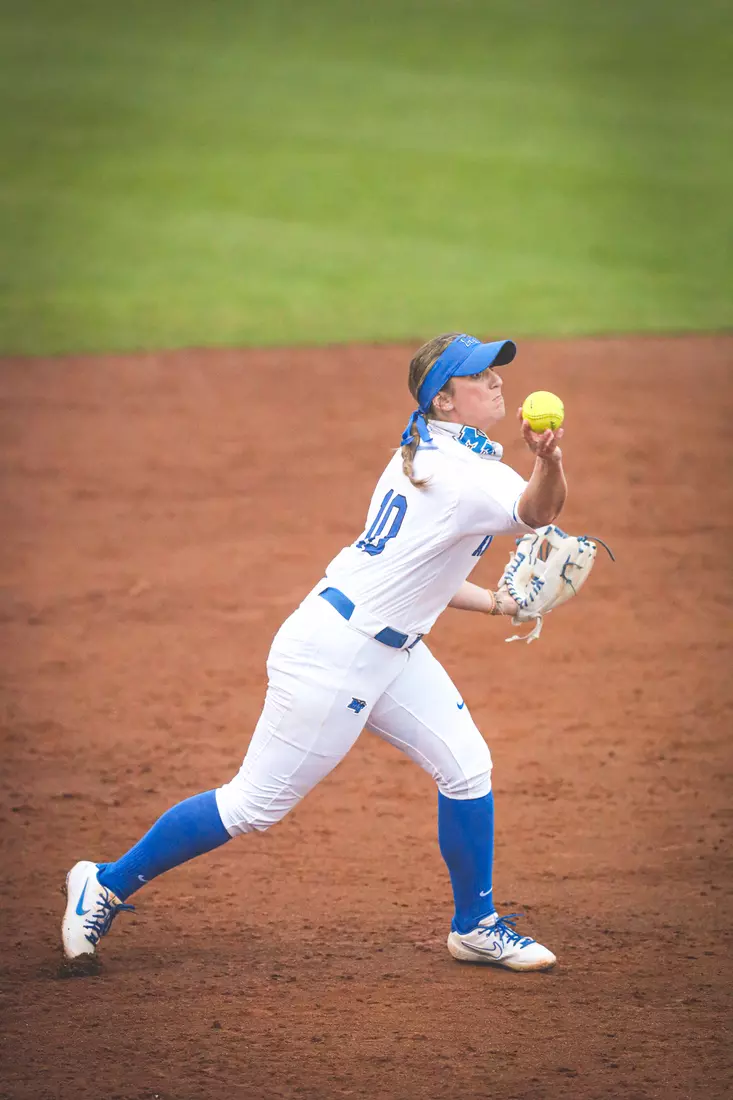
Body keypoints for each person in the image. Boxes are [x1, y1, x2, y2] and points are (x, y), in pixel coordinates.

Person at [62, 332, 567, 972]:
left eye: (496, 370)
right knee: (252, 805)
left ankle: (476, 926)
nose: (497, 380)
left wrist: (500, 603)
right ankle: (102, 883)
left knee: (467, 769)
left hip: (389, 648)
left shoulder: (425, 451)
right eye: (480, 375)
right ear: (444, 400)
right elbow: (536, 511)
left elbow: (420, 575)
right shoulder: (465, 473)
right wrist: (548, 460)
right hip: (336, 655)